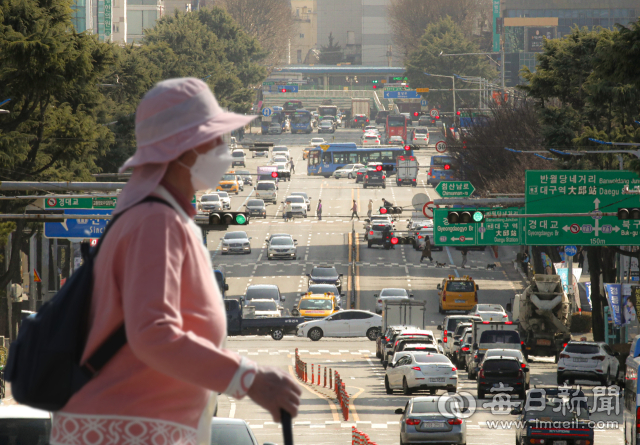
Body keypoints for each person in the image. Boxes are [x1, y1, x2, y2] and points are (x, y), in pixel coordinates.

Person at [50, 78, 301, 445]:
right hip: (133, 429)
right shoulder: (156, 220)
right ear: (183, 150)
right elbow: (152, 332)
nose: (223, 148)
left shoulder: (152, 211)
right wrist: (249, 379)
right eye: (214, 139)